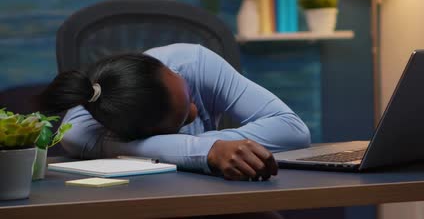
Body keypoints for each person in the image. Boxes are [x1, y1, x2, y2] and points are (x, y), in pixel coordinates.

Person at [37, 43, 311, 181]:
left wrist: (214, 148)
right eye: (183, 120)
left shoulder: (192, 62)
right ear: (135, 135)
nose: (194, 111)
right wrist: (210, 151)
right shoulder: (81, 128)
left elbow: (292, 129)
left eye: (190, 97)